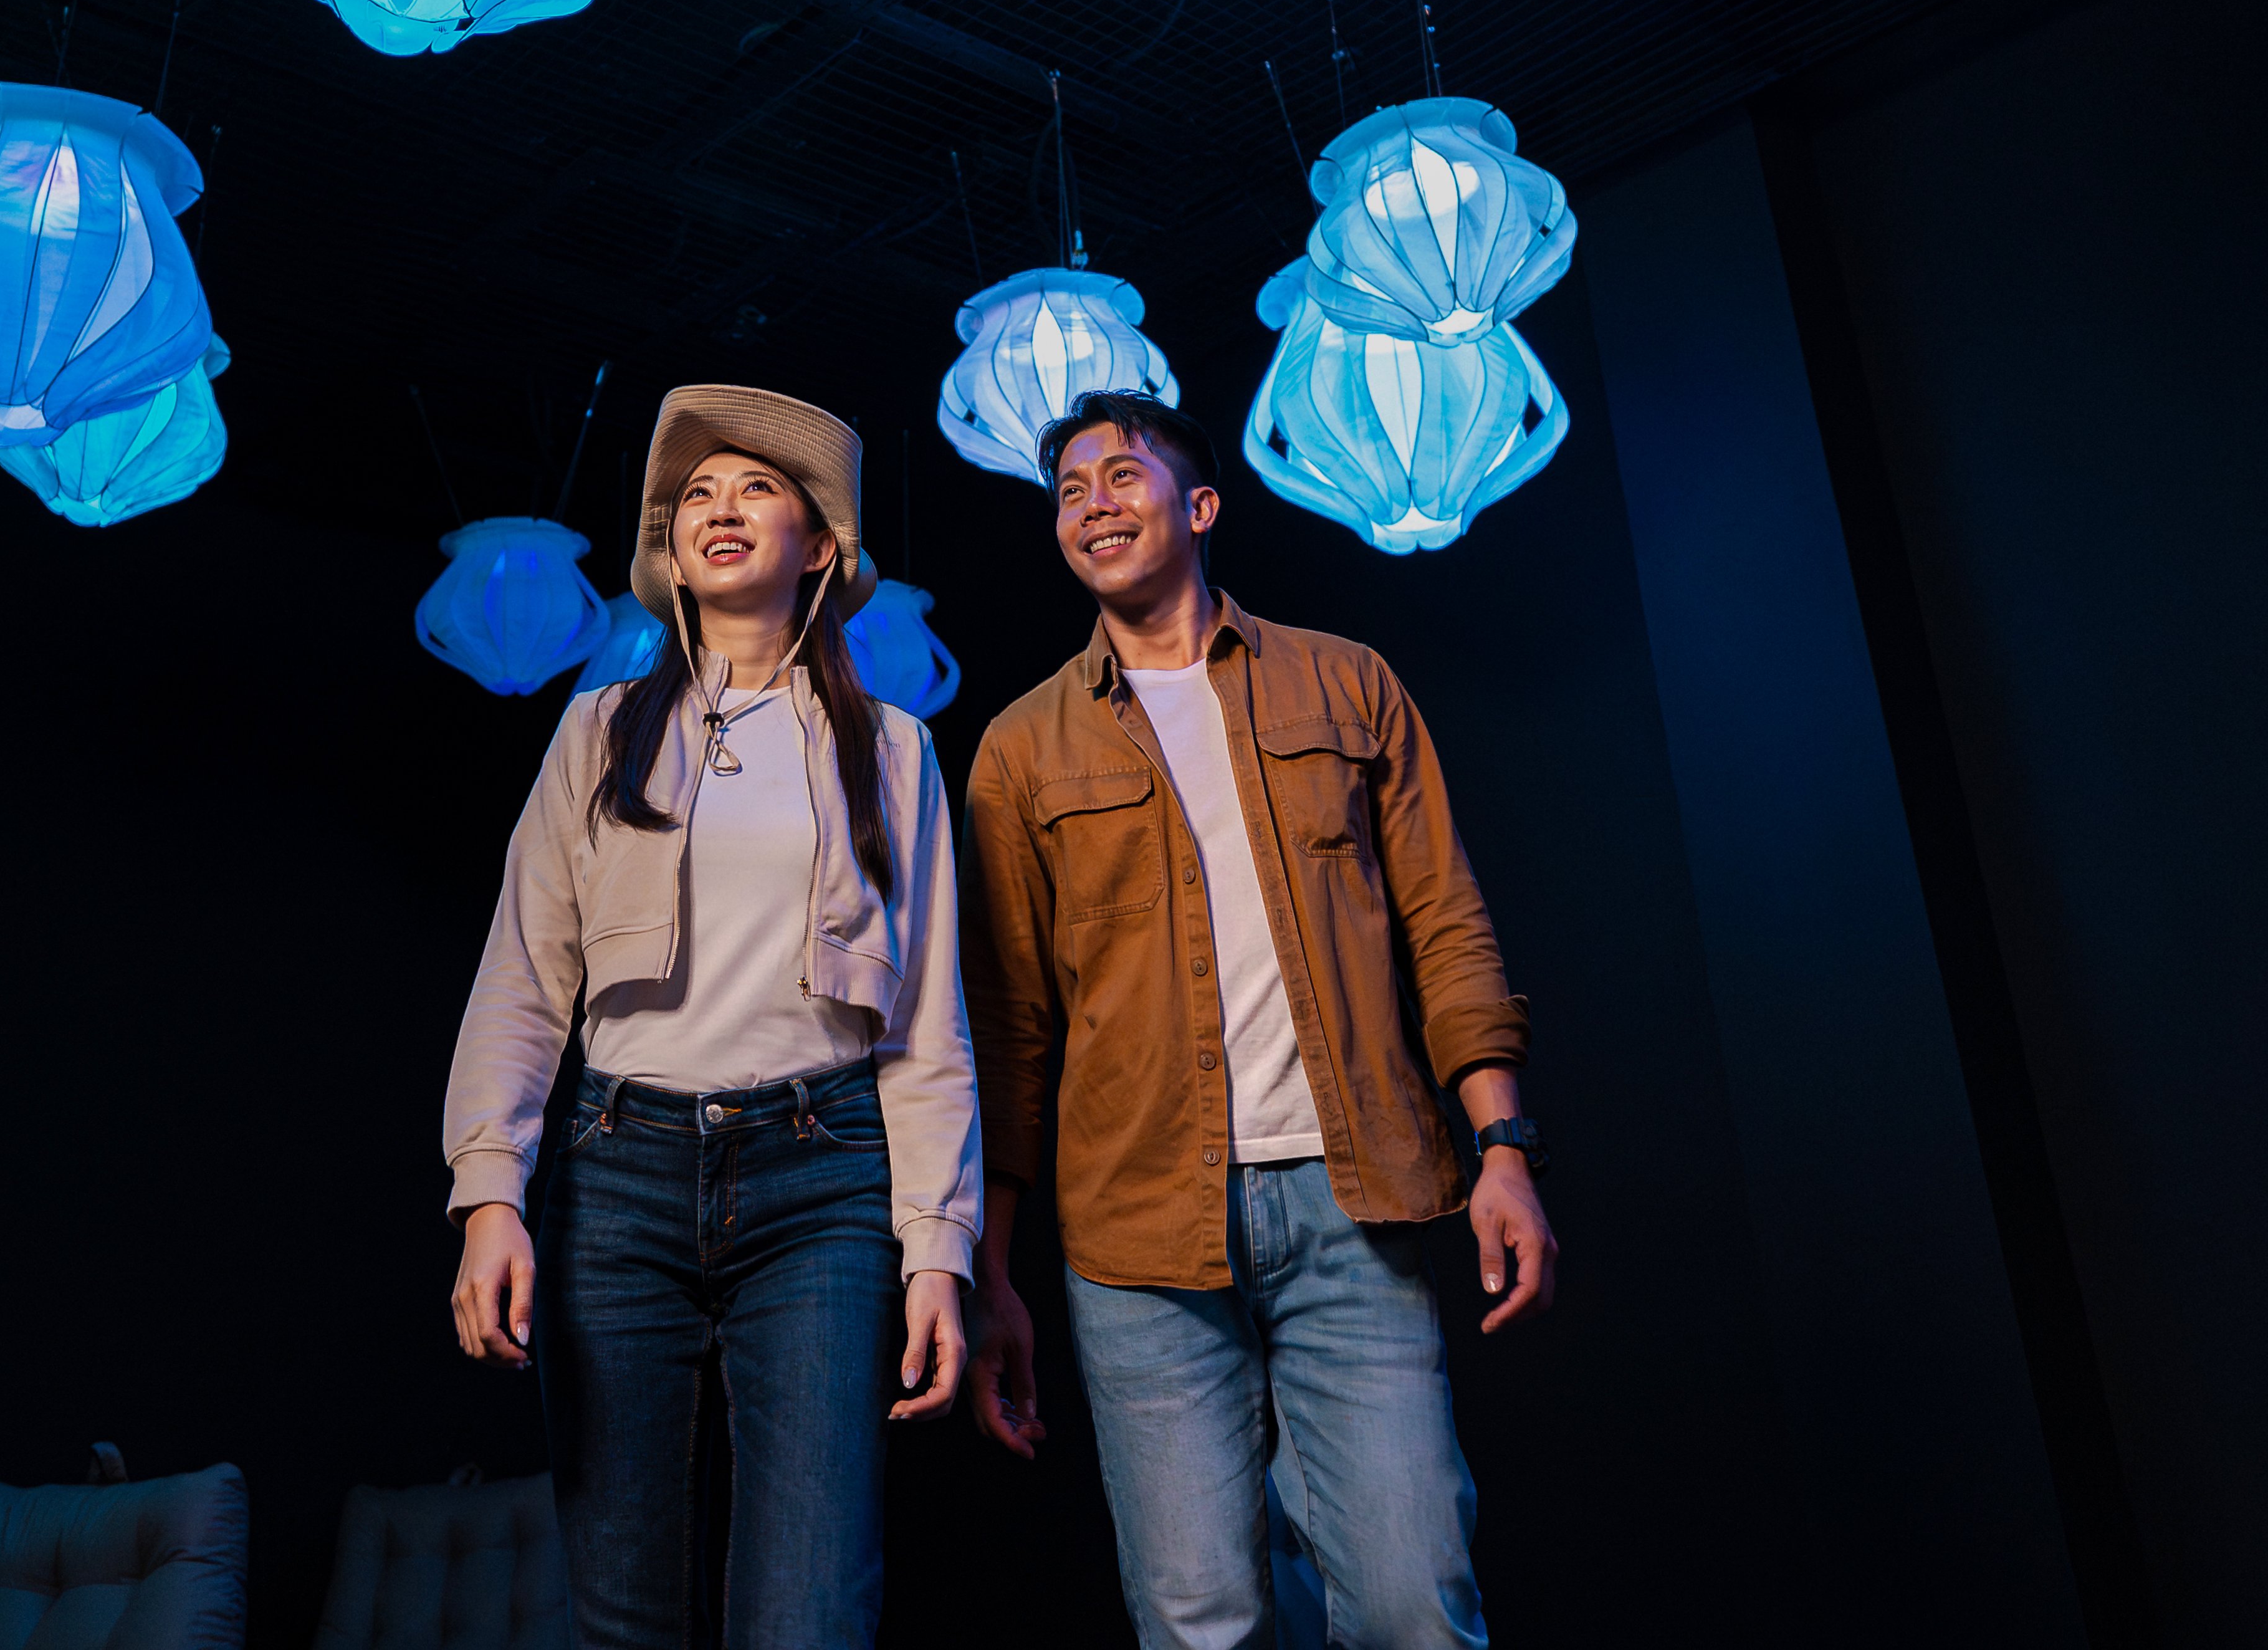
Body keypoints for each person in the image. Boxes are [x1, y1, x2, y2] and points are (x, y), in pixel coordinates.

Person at [958, 390, 1556, 1649]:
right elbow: (1011, 1030)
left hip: (1357, 1205)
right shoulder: (1019, 750)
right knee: (1201, 1624)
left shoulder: (1349, 682)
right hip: (1136, 1240)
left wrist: (1504, 1148)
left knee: (1412, 1609)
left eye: (1121, 476)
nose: (1092, 505)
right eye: (1068, 491)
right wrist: (992, 1271)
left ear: (1201, 505)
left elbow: (1445, 920)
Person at [440, 385, 981, 1649]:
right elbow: (523, 975)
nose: (719, 508)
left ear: (824, 546)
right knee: (621, 1604)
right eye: (696, 494)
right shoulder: (596, 733)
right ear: (670, 550)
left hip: (825, 1183)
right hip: (615, 1178)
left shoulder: (894, 751)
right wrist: (487, 1197)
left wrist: (938, 1249)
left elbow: (928, 1024)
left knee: (809, 1607)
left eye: (756, 488)